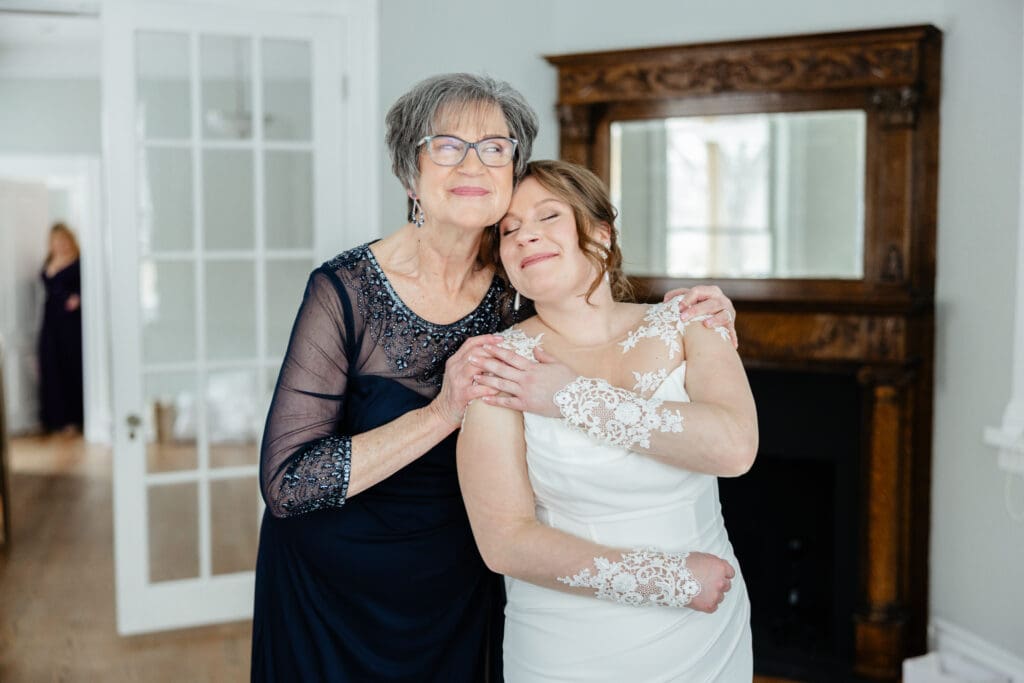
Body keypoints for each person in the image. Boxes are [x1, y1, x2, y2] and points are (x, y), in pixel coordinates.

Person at [251, 74, 739, 682]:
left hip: (463, 574)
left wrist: (704, 311)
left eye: (495, 146)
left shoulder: (521, 281)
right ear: (411, 175)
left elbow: (599, 313)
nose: (473, 162)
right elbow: (288, 482)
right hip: (337, 586)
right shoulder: (345, 291)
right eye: (447, 144)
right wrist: (440, 412)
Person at [457, 159, 757, 682]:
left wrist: (569, 396)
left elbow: (733, 449)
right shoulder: (497, 365)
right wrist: (668, 581)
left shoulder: (690, 321)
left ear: (600, 231)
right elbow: (504, 540)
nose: (526, 237)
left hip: (706, 636)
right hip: (570, 643)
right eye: (509, 230)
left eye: (548, 216)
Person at [38, 222, 84, 435]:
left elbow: (82, 289)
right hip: (51, 322)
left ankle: (75, 419)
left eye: (63, 240)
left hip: (71, 324)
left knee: (71, 366)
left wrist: (77, 298)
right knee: (51, 366)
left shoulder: (79, 262)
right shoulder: (50, 261)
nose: (60, 244)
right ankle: (55, 419)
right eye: (56, 241)